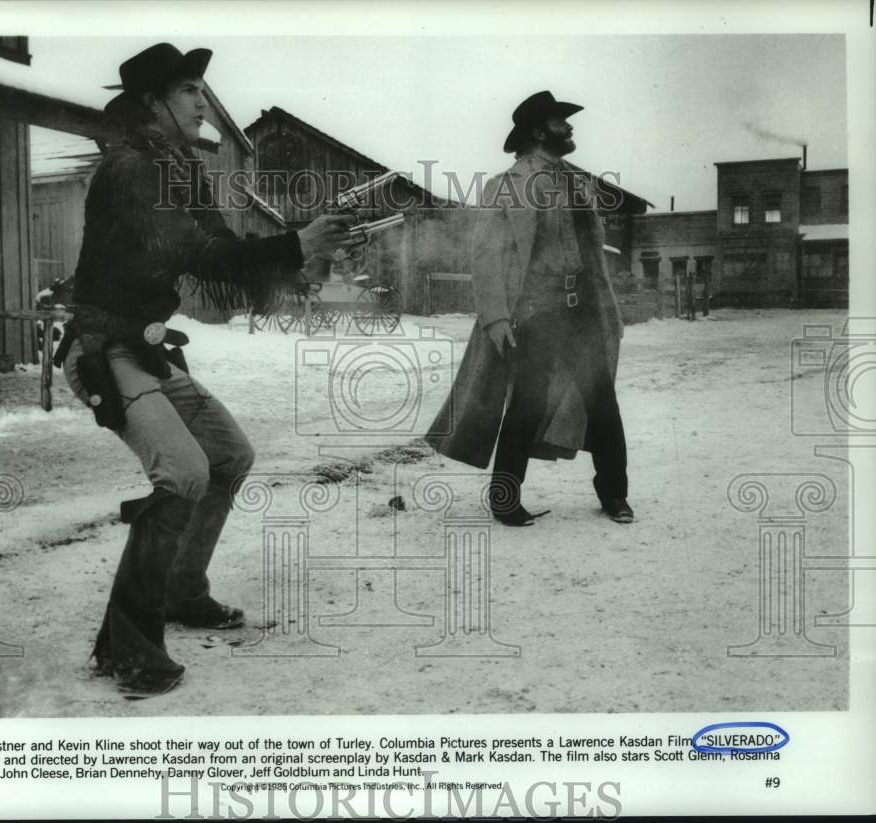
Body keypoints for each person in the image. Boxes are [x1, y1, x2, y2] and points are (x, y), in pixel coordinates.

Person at [57, 43, 356, 695]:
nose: (202, 100)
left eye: (200, 89)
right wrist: (292, 243)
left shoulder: (180, 169)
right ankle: (125, 647)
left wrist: (300, 260)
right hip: (103, 350)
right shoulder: (131, 169)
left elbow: (219, 250)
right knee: (185, 471)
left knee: (227, 454)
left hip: (145, 347)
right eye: (189, 89)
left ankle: (182, 591)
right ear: (152, 104)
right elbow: (190, 249)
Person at [425, 91, 633, 527]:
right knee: (526, 407)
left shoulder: (579, 182)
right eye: (561, 121)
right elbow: (485, 256)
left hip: (584, 311)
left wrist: (608, 309)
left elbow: (593, 253)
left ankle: (614, 496)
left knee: (603, 405)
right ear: (539, 130)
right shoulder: (506, 185)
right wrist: (497, 317)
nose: (570, 128)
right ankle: (504, 500)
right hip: (537, 312)